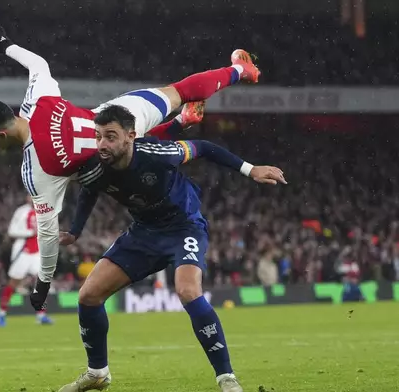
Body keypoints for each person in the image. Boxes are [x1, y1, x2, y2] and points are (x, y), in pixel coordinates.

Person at [0, 25, 260, 312]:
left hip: (111, 165)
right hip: (117, 117)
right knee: (178, 91)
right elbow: (38, 65)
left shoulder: (36, 170)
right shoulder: (38, 100)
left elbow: (47, 236)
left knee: (121, 158)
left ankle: (180, 124)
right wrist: (5, 44)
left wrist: (42, 285)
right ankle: (239, 72)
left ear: (1, 135)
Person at [57, 105, 286, 392]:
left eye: (111, 137)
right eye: (98, 136)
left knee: (188, 290)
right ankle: (97, 373)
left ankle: (226, 378)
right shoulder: (95, 166)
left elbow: (201, 147)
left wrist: (250, 169)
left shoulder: (155, 154)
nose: (102, 144)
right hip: (143, 234)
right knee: (88, 295)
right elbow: (89, 190)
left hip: (184, 228)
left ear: (130, 136)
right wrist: (76, 231)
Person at [0, 196, 53, 326]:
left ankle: (41, 314)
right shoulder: (21, 211)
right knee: (13, 283)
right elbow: (12, 231)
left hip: (37, 253)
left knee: (42, 282)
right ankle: (1, 313)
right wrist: (30, 232)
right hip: (23, 252)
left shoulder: (44, 210)